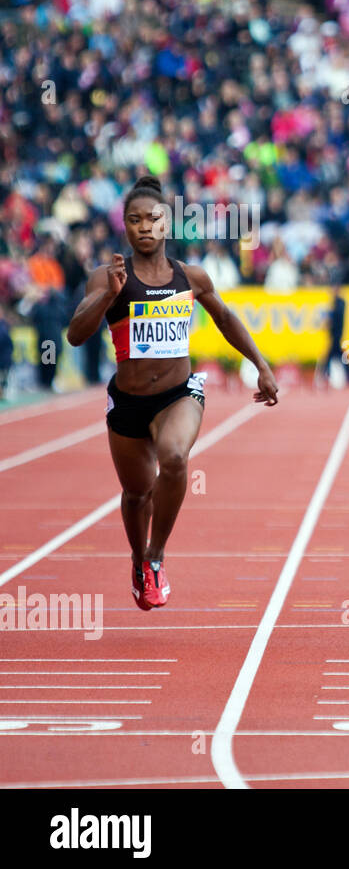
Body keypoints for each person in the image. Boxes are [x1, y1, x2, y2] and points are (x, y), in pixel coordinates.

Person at [66, 176, 280, 611]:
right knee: (136, 494)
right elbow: (74, 335)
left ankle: (156, 555)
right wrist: (107, 297)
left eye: (154, 218)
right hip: (127, 402)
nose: (145, 226)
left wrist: (260, 365)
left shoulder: (190, 277)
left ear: (168, 224)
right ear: (125, 227)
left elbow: (225, 317)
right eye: (134, 220)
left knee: (175, 458)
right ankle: (137, 559)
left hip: (178, 395)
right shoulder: (109, 278)